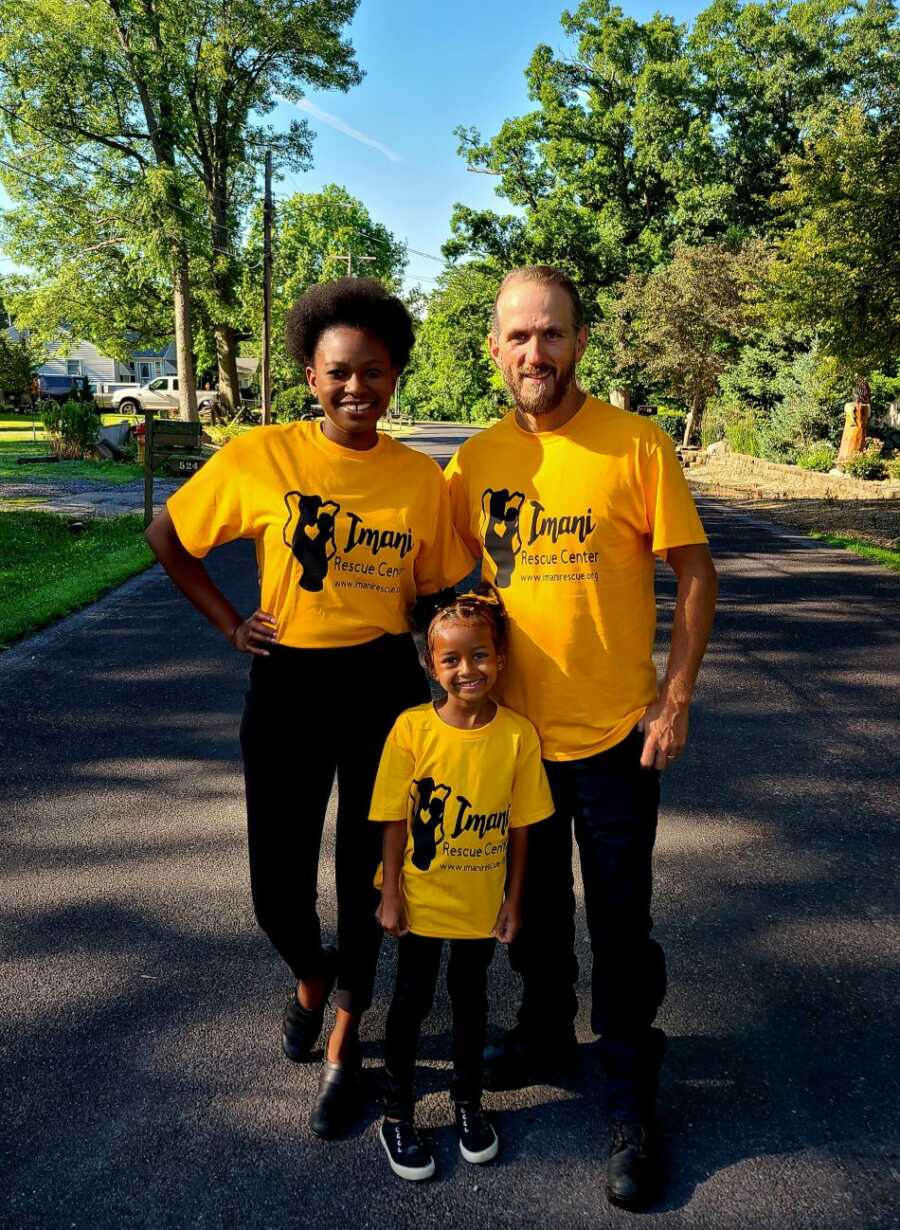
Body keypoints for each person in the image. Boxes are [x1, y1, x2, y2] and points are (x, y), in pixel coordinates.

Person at [145, 278, 473, 1139]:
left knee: (370, 880)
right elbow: (167, 537)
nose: (356, 388)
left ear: (396, 375)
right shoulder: (261, 455)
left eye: (374, 371)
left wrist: (464, 685)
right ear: (308, 373)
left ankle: (343, 1045)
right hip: (287, 686)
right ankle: (309, 977)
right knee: (275, 891)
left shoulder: (418, 479)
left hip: (381, 689)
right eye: (338, 372)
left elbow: (438, 594)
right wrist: (228, 622)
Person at [444, 266, 718, 1209]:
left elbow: (696, 574)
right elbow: (435, 584)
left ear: (581, 343)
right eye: (518, 336)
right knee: (531, 906)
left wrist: (673, 697)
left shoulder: (634, 444)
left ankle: (631, 1092)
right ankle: (547, 1026)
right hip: (513, 740)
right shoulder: (473, 464)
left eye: (552, 334)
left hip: (613, 738)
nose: (535, 353)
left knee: (618, 917)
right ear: (493, 349)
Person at [369, 588, 554, 1181]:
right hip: (421, 900)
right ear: (430, 664)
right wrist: (391, 892)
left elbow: (523, 829)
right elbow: (393, 817)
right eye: (451, 659)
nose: (466, 669)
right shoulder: (410, 730)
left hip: (481, 903)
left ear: (500, 657)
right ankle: (396, 1113)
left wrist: (513, 901)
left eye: (479, 656)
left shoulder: (519, 736)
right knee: (412, 1002)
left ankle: (467, 1101)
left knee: (471, 1002)